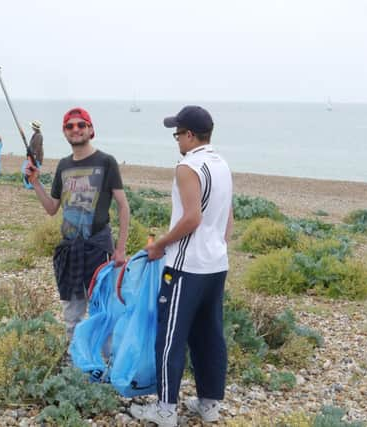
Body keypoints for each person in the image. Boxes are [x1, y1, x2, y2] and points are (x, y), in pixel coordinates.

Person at [130, 106, 233, 426]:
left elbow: (191, 218)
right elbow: (228, 218)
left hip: (186, 268)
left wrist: (159, 245)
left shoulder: (188, 166)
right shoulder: (221, 164)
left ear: (190, 135)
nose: (176, 139)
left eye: (177, 133)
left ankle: (165, 410)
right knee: (209, 334)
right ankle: (209, 403)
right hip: (216, 265)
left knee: (170, 337)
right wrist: (217, 246)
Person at [25, 107, 130, 342]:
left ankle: (103, 368)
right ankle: (76, 363)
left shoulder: (106, 162)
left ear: (91, 130)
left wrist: (120, 249)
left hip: (98, 247)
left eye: (81, 125)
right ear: (64, 132)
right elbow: (52, 208)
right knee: (72, 313)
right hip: (70, 249)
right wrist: (35, 183)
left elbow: (123, 206)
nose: (76, 130)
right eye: (70, 126)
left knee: (101, 310)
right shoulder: (63, 166)